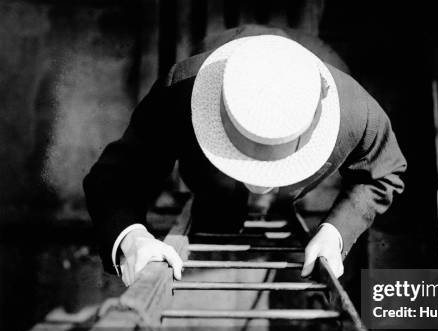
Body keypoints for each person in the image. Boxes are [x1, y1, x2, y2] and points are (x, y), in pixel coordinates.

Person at [83, 32, 406, 286]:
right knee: (217, 205)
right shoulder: (177, 92)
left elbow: (384, 173)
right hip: (220, 48)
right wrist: (132, 237)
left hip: (312, 52)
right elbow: (116, 177)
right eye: (241, 158)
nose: (260, 185)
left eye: (274, 165)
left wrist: (336, 232)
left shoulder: (359, 115)